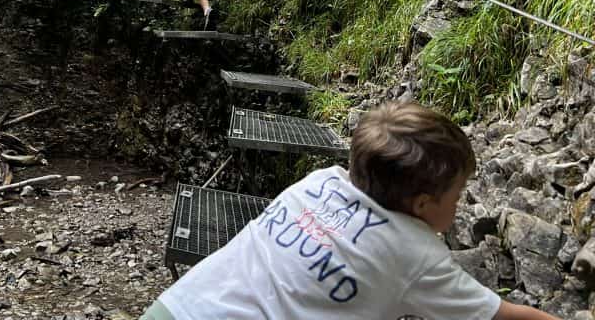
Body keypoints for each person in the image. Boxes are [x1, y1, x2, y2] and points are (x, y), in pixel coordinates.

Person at [140, 101, 563, 320]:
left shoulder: (318, 182)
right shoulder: (415, 257)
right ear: (422, 204)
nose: (459, 203)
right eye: (456, 194)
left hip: (174, 309)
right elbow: (503, 316)